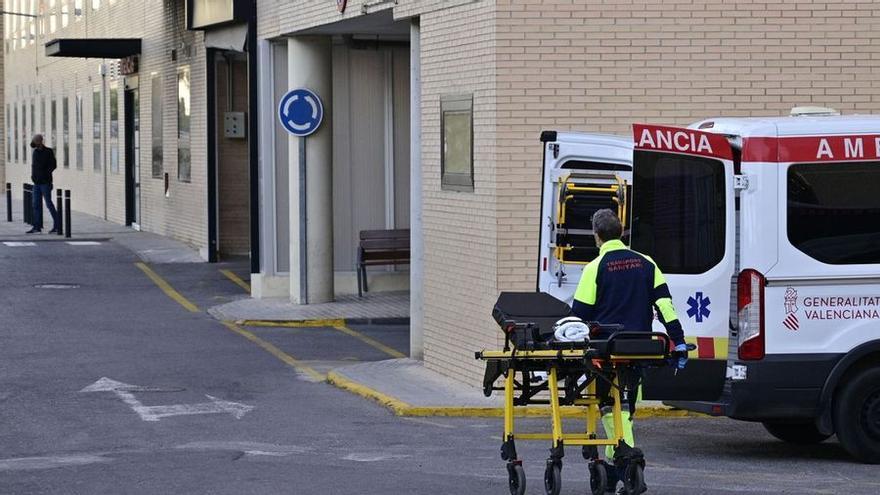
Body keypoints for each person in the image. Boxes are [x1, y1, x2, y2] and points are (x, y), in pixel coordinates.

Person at [572, 208, 688, 493]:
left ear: (597, 237)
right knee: (625, 408)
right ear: (622, 232)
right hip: (640, 349)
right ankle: (614, 473)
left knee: (610, 409)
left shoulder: (594, 268)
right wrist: (679, 340)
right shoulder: (647, 263)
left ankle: (629, 463)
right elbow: (664, 306)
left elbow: (579, 315)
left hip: (606, 351)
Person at [27, 134, 60, 234]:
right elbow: (34, 166)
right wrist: (33, 177)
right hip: (36, 183)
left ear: (40, 141)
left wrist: (45, 174)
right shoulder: (35, 152)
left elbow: (53, 165)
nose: (34, 143)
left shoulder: (48, 151)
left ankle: (57, 225)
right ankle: (37, 226)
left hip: (45, 182)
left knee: (49, 204)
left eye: (35, 141)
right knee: (35, 204)